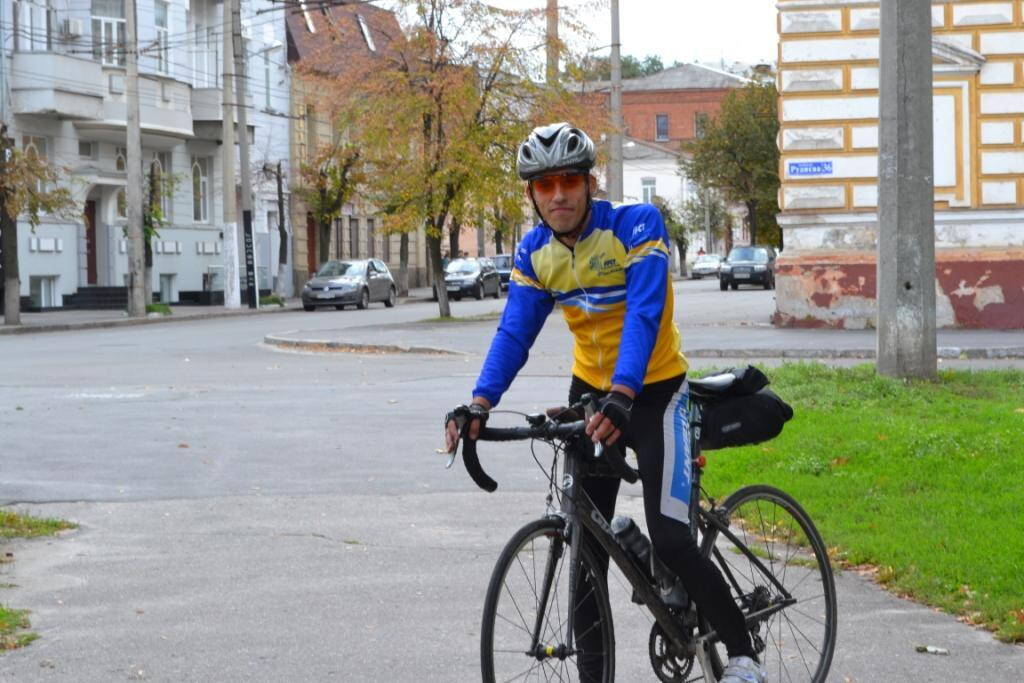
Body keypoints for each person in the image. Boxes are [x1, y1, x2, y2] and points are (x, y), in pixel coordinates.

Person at [444, 122, 765, 683]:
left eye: (569, 181)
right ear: (532, 195)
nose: (559, 195)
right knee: (584, 550)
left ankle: (743, 656)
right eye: (545, 186)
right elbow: (514, 332)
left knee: (671, 536)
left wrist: (622, 394)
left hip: (656, 390)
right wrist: (479, 403)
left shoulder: (636, 226)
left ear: (590, 183)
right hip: (592, 395)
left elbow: (644, 313)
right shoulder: (535, 252)